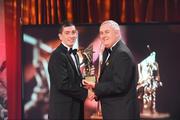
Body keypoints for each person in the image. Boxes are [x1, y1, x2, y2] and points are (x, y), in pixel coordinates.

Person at [83, 20, 140, 119]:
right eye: (101, 33)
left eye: (107, 32)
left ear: (117, 33)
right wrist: (96, 92)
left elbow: (119, 85)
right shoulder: (109, 52)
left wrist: (96, 87)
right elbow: (109, 81)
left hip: (121, 114)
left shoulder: (122, 54)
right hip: (113, 112)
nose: (103, 36)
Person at [48, 21, 88, 120]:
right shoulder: (57, 56)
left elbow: (72, 79)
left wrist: (84, 82)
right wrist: (86, 93)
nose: (71, 35)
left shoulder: (74, 54)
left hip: (74, 109)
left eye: (73, 32)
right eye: (67, 33)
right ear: (60, 36)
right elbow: (63, 84)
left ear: (77, 34)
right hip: (63, 112)